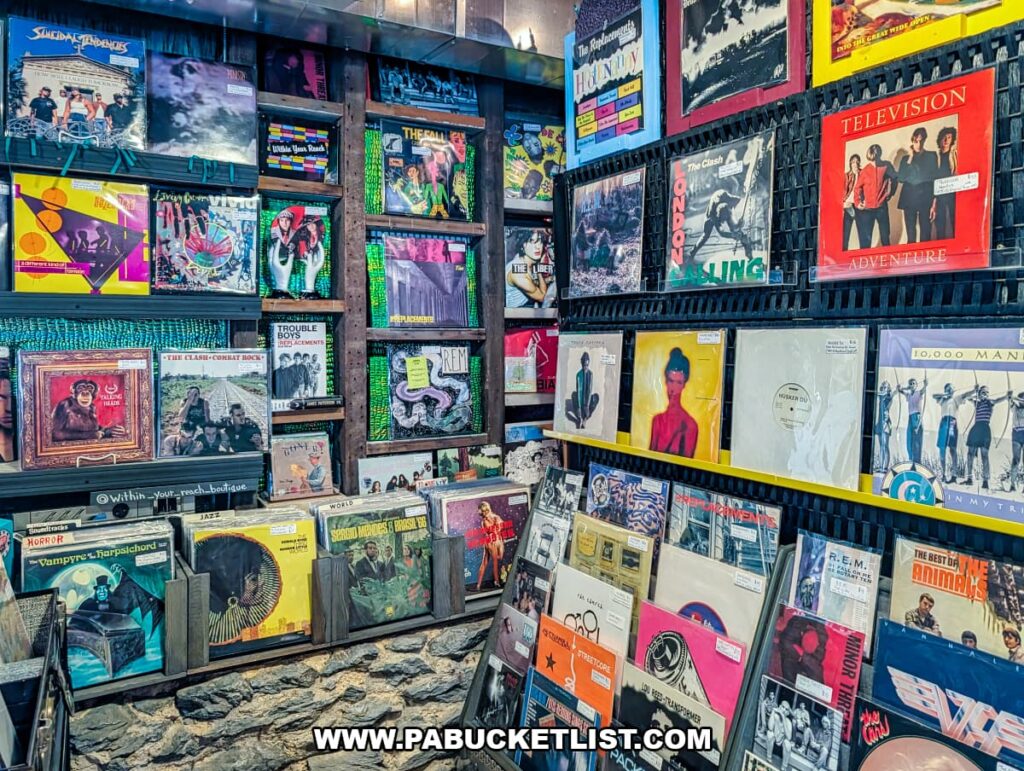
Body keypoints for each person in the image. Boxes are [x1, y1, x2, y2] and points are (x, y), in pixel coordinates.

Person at [648, 347, 699, 457]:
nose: (673, 389)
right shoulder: (657, 421)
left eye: (679, 382)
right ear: (666, 381)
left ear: (684, 385)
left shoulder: (690, 425)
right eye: (671, 381)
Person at [962, 385, 1012, 490]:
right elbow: (966, 398)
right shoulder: (977, 402)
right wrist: (974, 391)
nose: (986, 394)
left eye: (987, 392)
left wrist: (1007, 395)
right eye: (983, 392)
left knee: (984, 455)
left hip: (985, 429)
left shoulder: (990, 402)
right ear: (980, 394)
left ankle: (985, 481)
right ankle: (969, 478)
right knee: (970, 453)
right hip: (976, 428)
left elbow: (999, 400)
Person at [897, 127, 939, 244]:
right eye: (916, 141)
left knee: (926, 234)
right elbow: (901, 178)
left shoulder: (932, 156)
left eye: (922, 141)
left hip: (926, 199)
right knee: (911, 235)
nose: (919, 144)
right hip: (909, 199)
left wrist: (934, 204)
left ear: (925, 140)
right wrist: (910, 157)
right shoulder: (906, 159)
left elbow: (935, 180)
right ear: (912, 140)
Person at [689, 189, 754, 262]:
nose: (724, 222)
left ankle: (749, 255)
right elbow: (721, 232)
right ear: (718, 216)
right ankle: (692, 252)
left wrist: (738, 221)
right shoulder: (713, 216)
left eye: (725, 219)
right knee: (705, 235)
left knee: (738, 231)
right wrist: (732, 235)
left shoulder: (730, 200)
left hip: (727, 208)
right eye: (722, 220)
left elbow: (738, 199)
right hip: (712, 213)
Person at [51, 380, 126, 442]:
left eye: (90, 389)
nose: (85, 393)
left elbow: (93, 430)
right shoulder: (65, 405)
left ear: (95, 393)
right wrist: (89, 435)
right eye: (80, 388)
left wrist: (110, 431)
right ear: (74, 392)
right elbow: (55, 434)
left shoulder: (91, 407)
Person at [853, 143, 898, 248]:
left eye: (876, 159)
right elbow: (857, 188)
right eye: (872, 160)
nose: (874, 163)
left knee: (885, 237)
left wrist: (891, 193)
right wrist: (857, 202)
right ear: (869, 157)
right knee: (866, 240)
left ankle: (887, 260)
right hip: (868, 209)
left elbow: (895, 178)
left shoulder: (886, 166)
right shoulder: (864, 171)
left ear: (879, 156)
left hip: (882, 207)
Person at [933, 384, 971, 484]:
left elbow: (966, 394)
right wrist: (945, 394)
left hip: (952, 423)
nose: (950, 391)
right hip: (944, 422)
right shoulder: (942, 399)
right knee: (942, 449)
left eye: (952, 389)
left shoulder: (956, 398)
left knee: (953, 449)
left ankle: (954, 476)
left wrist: (974, 390)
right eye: (948, 389)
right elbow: (934, 395)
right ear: (945, 390)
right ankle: (943, 475)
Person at [505, 229, 552, 308]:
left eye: (540, 242)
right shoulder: (518, 272)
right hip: (516, 316)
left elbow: (532, 281)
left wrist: (549, 279)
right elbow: (544, 298)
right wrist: (539, 267)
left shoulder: (522, 260)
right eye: (532, 242)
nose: (538, 246)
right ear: (523, 245)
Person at [933, 127, 958, 239]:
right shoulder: (935, 156)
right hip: (939, 192)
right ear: (940, 139)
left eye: (949, 137)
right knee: (940, 222)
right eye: (944, 137)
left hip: (953, 190)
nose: (946, 140)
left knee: (955, 219)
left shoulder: (954, 154)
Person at [476, 501, 506, 591]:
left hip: (495, 541)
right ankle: (495, 582)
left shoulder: (495, 517)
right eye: (482, 512)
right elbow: (490, 531)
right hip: (491, 542)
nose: (484, 514)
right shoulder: (485, 521)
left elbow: (500, 527)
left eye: (485, 511)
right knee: (493, 562)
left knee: (496, 559)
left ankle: (479, 584)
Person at [565, 352, 599, 430]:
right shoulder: (578, 375)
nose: (585, 367)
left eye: (587, 365)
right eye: (584, 365)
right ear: (581, 364)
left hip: (587, 401)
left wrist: (587, 405)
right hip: (581, 401)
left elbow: (589, 390)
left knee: (596, 396)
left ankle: (585, 419)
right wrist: (579, 407)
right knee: (574, 394)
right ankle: (580, 418)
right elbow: (579, 391)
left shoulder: (590, 374)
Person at [898, 377, 928, 464]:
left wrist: (925, 385)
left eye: (913, 383)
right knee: (909, 439)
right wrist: (900, 388)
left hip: (916, 417)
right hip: (910, 417)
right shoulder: (909, 395)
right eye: (910, 384)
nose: (912, 385)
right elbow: (901, 391)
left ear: (916, 385)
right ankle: (911, 459)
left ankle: (917, 461)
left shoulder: (918, 393)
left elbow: (923, 390)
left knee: (916, 440)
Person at [842, 154, 862, 250]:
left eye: (857, 161)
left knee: (863, 233)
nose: (855, 164)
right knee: (845, 233)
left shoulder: (863, 174)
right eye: (853, 162)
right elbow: (840, 191)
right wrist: (843, 203)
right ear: (850, 163)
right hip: (848, 205)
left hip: (859, 205)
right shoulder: (846, 175)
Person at [874, 381, 893, 472]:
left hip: (885, 423)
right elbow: (878, 393)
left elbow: (892, 394)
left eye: (886, 387)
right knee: (881, 445)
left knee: (885, 445)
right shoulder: (881, 396)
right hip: (879, 423)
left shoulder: (889, 397)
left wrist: (895, 390)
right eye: (883, 387)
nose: (884, 388)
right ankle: (881, 466)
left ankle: (885, 467)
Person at [1008, 392, 1024, 492]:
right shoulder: (1015, 406)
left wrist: (1016, 398)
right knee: (1015, 460)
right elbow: (1011, 401)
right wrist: (1010, 396)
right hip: (1017, 434)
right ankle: (1012, 485)